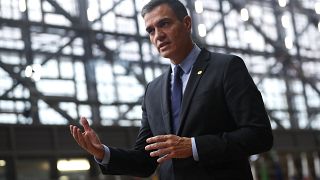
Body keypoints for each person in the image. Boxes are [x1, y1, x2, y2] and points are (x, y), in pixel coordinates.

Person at [70, 0, 273, 179]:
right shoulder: (153, 90)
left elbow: (259, 135)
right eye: (151, 30)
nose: (158, 35)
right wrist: (103, 153)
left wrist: (193, 147)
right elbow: (145, 160)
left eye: (164, 24)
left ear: (186, 23)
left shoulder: (226, 67)